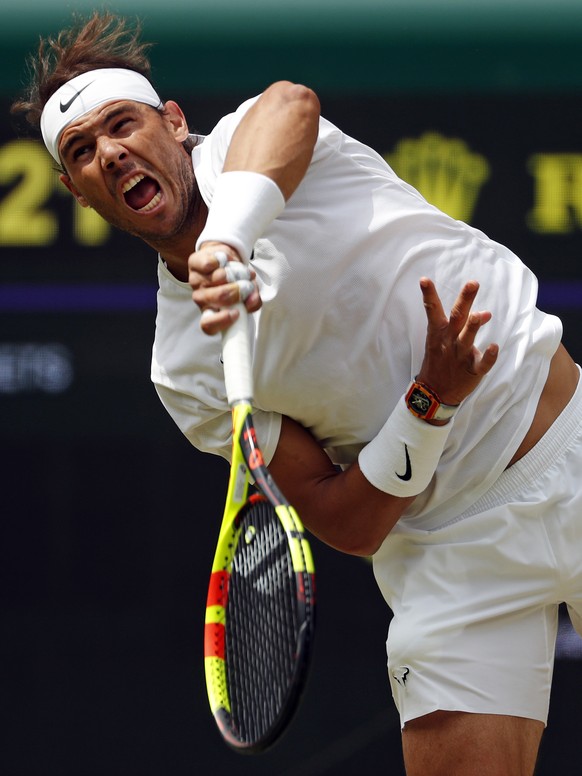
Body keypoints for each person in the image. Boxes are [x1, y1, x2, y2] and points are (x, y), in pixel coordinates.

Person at [12, 11, 581, 776]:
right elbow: (350, 523)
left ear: (175, 124)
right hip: (450, 554)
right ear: (75, 190)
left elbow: (294, 102)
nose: (111, 153)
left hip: (566, 448)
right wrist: (428, 404)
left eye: (123, 124)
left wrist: (228, 241)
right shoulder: (184, 371)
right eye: (82, 152)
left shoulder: (259, 134)